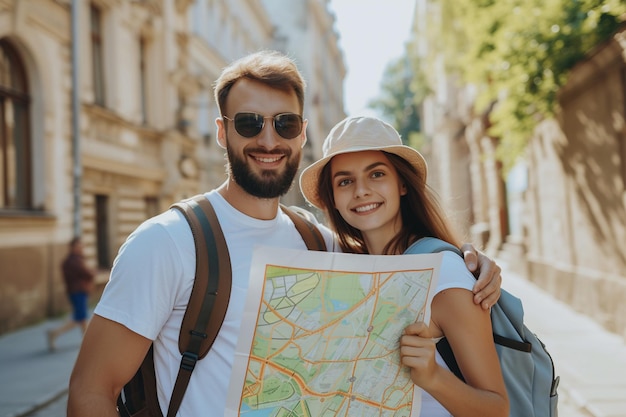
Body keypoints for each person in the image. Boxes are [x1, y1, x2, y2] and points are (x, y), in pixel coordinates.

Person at [67, 50, 502, 417]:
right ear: (222, 131)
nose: (269, 140)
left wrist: (464, 257)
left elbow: (402, 260)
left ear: (302, 135)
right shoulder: (165, 242)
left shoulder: (319, 240)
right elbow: (91, 391)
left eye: (285, 124)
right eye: (250, 123)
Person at [299, 115, 509, 417]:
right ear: (333, 198)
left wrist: (435, 378)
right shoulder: (350, 269)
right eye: (345, 181)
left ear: (402, 184)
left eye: (376, 175)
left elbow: (497, 408)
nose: (361, 191)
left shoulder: (445, 273)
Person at [47, 236, 95, 352]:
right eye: (80, 245)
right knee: (80, 318)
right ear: (73, 247)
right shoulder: (75, 261)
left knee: (81, 318)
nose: (82, 247)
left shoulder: (71, 260)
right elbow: (88, 274)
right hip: (78, 292)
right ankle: (55, 333)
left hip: (75, 292)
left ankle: (86, 342)